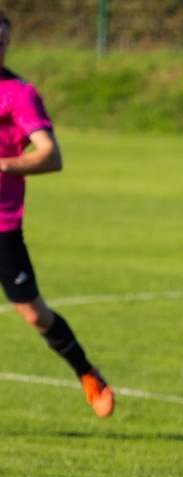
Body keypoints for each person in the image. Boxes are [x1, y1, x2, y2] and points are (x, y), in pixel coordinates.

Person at [0, 11, 111, 417]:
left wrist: (6, 164)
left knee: (34, 314)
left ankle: (87, 372)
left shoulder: (17, 93)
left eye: (3, 42)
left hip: (3, 225)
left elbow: (50, 154)